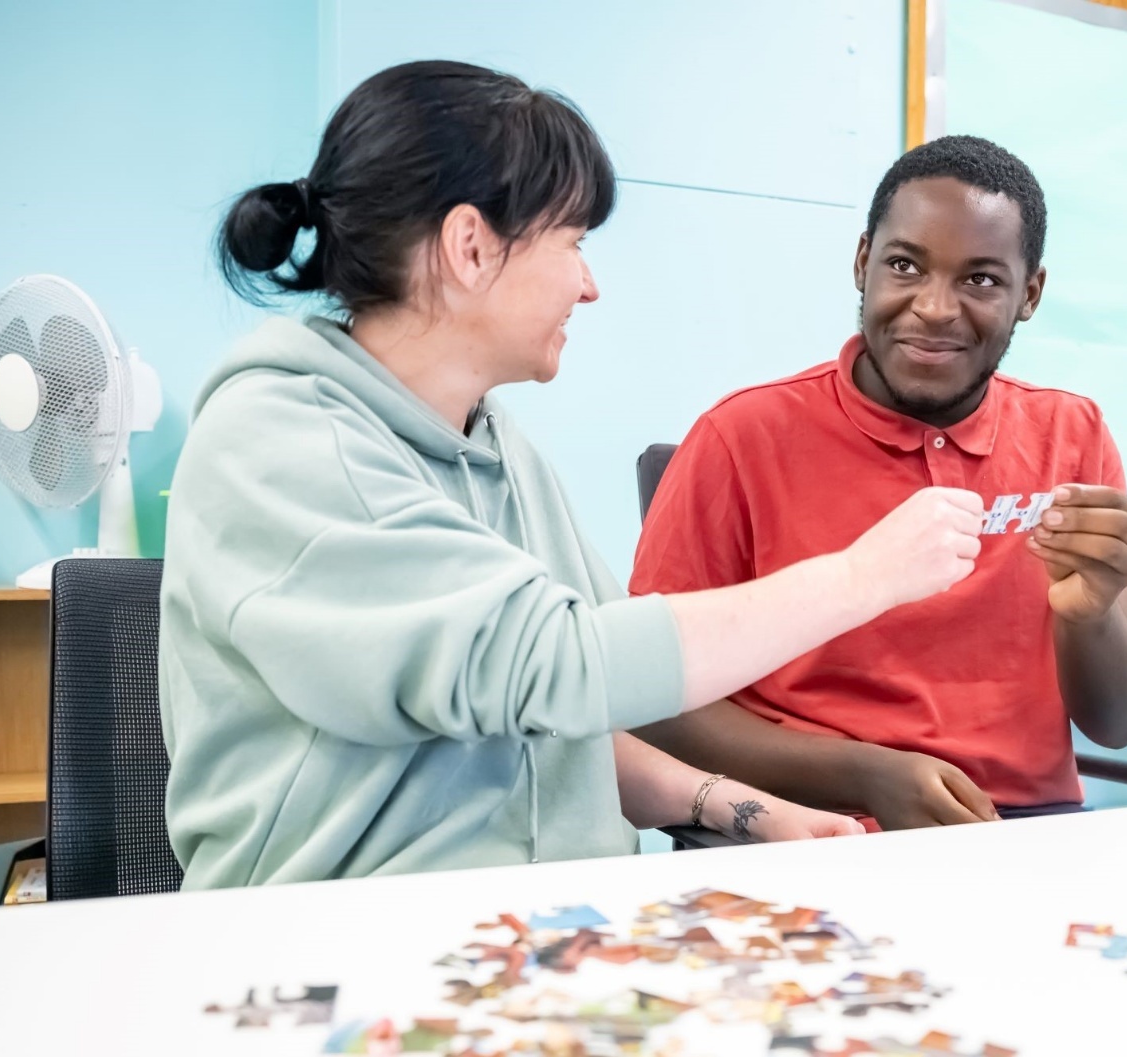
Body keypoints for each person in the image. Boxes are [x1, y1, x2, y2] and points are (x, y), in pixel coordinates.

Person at [159, 61, 985, 888]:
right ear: (470, 247)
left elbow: (562, 721)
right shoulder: (275, 440)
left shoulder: (495, 442)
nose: (588, 284)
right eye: (572, 243)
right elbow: (559, 664)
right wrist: (863, 576)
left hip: (549, 915)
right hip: (353, 930)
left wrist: (736, 806)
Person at [630, 136, 1127, 830]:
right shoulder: (741, 436)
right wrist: (863, 773)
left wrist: (1088, 613)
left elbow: (1119, 722)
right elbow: (652, 699)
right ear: (862, 263)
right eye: (906, 265)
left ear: (1029, 294)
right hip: (815, 829)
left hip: (1025, 835)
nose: (936, 307)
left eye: (981, 279)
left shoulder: (1075, 433)